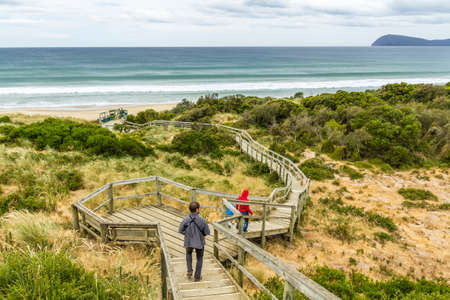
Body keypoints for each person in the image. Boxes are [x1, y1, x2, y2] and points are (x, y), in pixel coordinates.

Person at [178, 201, 210, 281]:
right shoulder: (202, 220)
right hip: (199, 242)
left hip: (188, 241)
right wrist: (201, 235)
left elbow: (180, 230)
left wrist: (187, 233)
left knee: (188, 254)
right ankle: (197, 276)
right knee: (199, 258)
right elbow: (207, 232)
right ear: (197, 209)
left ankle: (189, 270)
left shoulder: (186, 219)